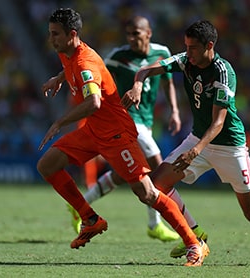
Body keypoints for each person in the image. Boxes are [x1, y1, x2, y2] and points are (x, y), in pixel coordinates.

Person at [37, 8, 209, 266]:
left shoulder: (85, 62)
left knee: (147, 193)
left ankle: (193, 243)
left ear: (72, 35)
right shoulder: (67, 51)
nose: (51, 39)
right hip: (94, 131)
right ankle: (90, 219)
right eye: (51, 33)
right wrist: (59, 77)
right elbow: (74, 67)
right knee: (47, 165)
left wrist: (61, 121)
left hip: (117, 135)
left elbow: (94, 102)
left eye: (55, 34)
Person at [121, 19, 250, 259]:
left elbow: (218, 122)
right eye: (186, 46)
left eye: (193, 47)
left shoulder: (223, 72)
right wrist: (138, 84)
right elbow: (145, 70)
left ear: (210, 45)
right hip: (198, 139)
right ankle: (195, 237)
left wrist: (194, 151)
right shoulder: (186, 61)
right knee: (154, 186)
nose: (188, 52)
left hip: (230, 147)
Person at [68, 16, 181, 242]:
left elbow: (168, 81)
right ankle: (155, 224)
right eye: (128, 34)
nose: (131, 38)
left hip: (146, 121)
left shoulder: (161, 53)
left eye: (136, 34)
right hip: (126, 118)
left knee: (124, 174)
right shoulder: (118, 56)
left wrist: (175, 110)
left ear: (148, 33)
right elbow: (91, 67)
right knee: (156, 167)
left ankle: (82, 204)